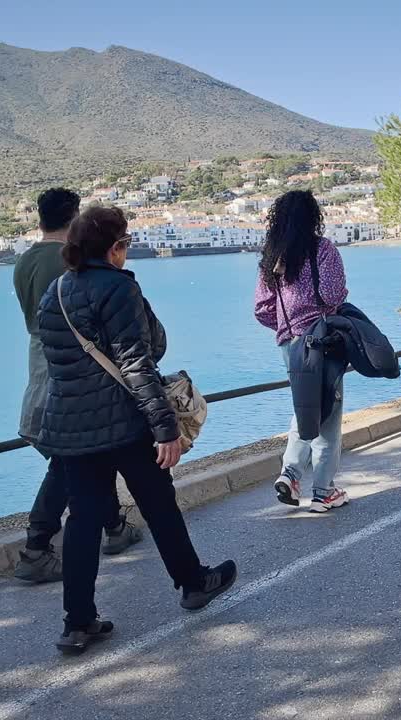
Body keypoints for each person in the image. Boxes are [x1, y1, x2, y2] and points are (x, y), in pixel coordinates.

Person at [37, 205, 236, 653]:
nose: (126, 251)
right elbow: (137, 361)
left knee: (83, 519)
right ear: (113, 247)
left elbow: (60, 362)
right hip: (125, 422)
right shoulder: (118, 288)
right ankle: (192, 582)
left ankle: (78, 622)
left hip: (71, 427)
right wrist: (165, 428)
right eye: (124, 243)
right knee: (158, 502)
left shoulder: (56, 292)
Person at [12, 188, 142, 584]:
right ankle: (36, 546)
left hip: (39, 360)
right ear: (74, 218)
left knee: (84, 454)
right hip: (70, 365)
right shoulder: (66, 261)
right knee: (69, 457)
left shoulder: (23, 262)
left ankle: (115, 527)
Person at [253, 191, 353, 513]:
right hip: (322, 340)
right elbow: (332, 294)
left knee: (306, 403)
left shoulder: (272, 257)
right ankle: (323, 490)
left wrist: (286, 326)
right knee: (328, 414)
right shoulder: (322, 249)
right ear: (313, 217)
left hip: (289, 344)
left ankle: (291, 475)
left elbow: (262, 309)